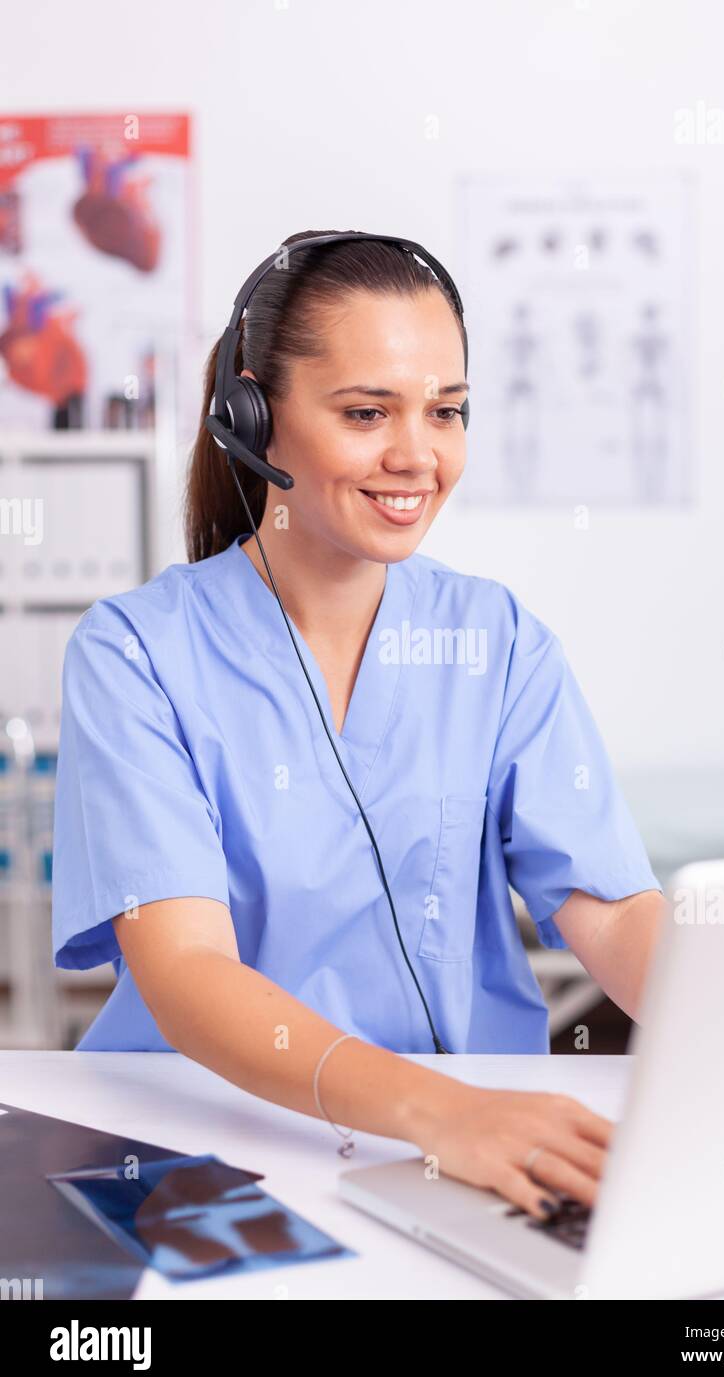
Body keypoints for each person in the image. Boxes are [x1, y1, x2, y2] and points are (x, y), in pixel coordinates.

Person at [51, 229, 666, 1221]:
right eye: (366, 411)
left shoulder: (496, 640)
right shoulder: (134, 652)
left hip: (465, 1147)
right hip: (207, 1144)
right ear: (253, 416)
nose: (415, 454)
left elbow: (612, 912)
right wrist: (439, 1113)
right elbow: (186, 968)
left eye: (446, 411)